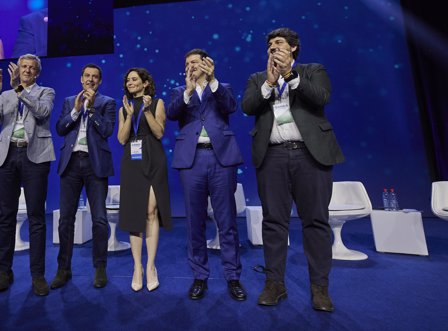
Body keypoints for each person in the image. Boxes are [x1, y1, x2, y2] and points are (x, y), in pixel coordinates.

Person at [241, 27, 344, 312]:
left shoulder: (312, 70)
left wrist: (289, 76)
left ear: (294, 48)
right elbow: (248, 107)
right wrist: (270, 84)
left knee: (315, 221)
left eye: (279, 43)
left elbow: (321, 98)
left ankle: (319, 289)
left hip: (310, 156)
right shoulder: (257, 78)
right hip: (272, 156)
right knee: (274, 222)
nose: (273, 47)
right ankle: (275, 284)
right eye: (270, 44)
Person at [166, 49, 246, 302]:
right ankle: (200, 275)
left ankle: (232, 276)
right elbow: (171, 114)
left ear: (207, 64)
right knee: (195, 221)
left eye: (195, 62)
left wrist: (213, 81)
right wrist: (189, 91)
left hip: (220, 158)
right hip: (192, 160)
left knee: (227, 221)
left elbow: (231, 106)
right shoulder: (180, 92)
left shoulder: (221, 87)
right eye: (187, 62)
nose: (190, 66)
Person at [0, 53, 55, 296]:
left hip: (35, 156)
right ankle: (4, 272)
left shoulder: (46, 92)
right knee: (7, 217)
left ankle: (38, 276)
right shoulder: (5, 95)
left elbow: (42, 113)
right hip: (7, 156)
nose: (26, 70)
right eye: (23, 66)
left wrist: (19, 90)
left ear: (37, 72)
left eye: (31, 68)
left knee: (36, 217)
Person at [50, 64, 116, 290]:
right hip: (70, 164)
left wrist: (91, 110)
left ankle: (99, 268)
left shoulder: (107, 103)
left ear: (99, 82)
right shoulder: (70, 101)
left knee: (99, 219)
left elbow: (107, 131)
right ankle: (63, 269)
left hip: (95, 165)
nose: (90, 80)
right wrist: (77, 110)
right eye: (87, 76)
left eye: (95, 77)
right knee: (65, 219)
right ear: (81, 79)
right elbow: (60, 128)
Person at [117, 68, 172, 292]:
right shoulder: (123, 108)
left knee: (150, 211)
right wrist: (130, 116)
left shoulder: (157, 103)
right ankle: (137, 267)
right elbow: (121, 139)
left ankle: (150, 267)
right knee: (133, 214)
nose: (130, 82)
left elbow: (159, 133)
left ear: (145, 83)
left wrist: (147, 111)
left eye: (134, 79)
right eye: (128, 80)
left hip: (153, 156)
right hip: (132, 158)